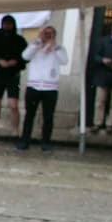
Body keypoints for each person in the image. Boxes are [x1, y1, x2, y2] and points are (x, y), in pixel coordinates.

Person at [18, 24, 67, 152]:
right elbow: (25, 56)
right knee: (29, 115)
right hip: (34, 86)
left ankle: (46, 142)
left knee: (48, 116)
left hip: (50, 88)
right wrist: (37, 43)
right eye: (46, 33)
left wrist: (54, 47)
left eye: (51, 33)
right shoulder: (35, 45)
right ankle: (25, 141)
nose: (48, 35)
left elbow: (64, 61)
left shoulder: (59, 48)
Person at [0, 14, 27, 145]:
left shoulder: (19, 40)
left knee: (13, 105)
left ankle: (15, 132)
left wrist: (15, 62)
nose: (7, 26)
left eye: (9, 24)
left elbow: (25, 58)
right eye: (5, 24)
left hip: (13, 76)